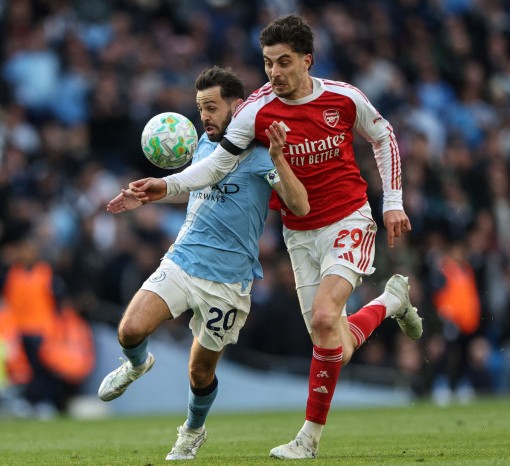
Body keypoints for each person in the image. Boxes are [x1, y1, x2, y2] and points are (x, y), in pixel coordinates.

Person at [127, 14, 423, 459]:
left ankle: (308, 439)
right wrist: (165, 186)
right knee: (332, 344)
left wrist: (393, 202)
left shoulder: (344, 98)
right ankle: (390, 302)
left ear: (307, 60)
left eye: (284, 62)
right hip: (299, 233)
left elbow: (384, 137)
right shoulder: (256, 111)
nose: (274, 72)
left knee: (324, 317)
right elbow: (217, 166)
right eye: (267, 62)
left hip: (349, 218)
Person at [97, 65, 309, 460]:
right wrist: (149, 197)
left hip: (228, 282)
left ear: (237, 107)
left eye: (211, 108)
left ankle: (193, 431)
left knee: (199, 371)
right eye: (200, 109)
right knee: (130, 330)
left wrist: (280, 159)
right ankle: (137, 365)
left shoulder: (260, 156)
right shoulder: (204, 145)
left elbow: (299, 206)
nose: (205, 117)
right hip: (184, 259)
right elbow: (194, 186)